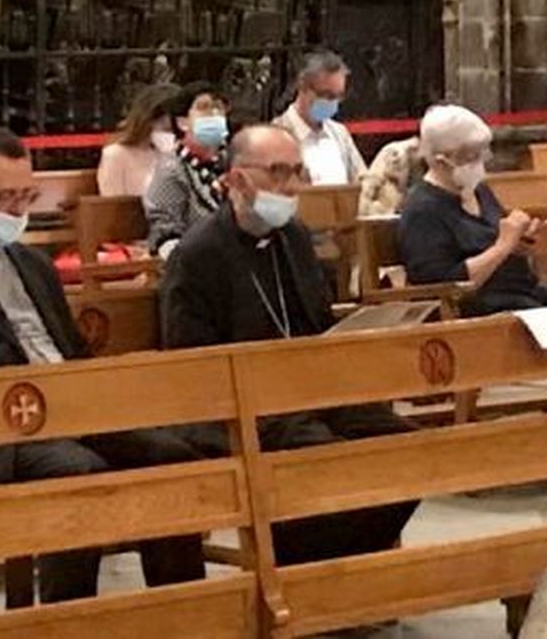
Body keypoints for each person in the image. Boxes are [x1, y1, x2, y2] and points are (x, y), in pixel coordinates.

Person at [0, 125, 205, 603]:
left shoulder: (32, 264)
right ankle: (61, 622)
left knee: (171, 458)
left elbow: (69, 353)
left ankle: (184, 616)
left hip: (66, 412)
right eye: (4, 197)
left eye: (27, 195)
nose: (17, 210)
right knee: (78, 473)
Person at [160, 124, 417, 563]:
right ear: (238, 178)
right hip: (241, 405)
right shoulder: (198, 253)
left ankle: (339, 568)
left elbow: (315, 322)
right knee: (325, 457)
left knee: (409, 450)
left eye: (297, 171)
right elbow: (190, 363)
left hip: (308, 390)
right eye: (279, 172)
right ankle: (300, 574)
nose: (292, 185)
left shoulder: (292, 236)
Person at [398, 106, 547, 407]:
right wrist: (504, 246)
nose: (482, 162)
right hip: (476, 306)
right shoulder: (422, 209)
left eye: (483, 152)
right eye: (472, 154)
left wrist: (522, 239)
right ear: (442, 159)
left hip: (521, 291)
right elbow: (440, 283)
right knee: (536, 312)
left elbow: (498, 238)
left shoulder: (478, 191)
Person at [143, 82, 231, 258]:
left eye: (219, 109)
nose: (215, 115)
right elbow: (165, 233)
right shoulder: (171, 170)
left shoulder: (232, 161)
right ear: (182, 122)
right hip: (196, 262)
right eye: (204, 108)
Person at [273, 50, 367, 186]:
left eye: (338, 96)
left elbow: (361, 182)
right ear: (303, 87)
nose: (332, 103)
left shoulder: (340, 133)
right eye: (326, 95)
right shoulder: (274, 136)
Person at [96, 82, 183, 197]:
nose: (173, 134)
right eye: (167, 128)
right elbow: (113, 208)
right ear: (149, 119)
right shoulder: (115, 155)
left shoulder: (180, 154)